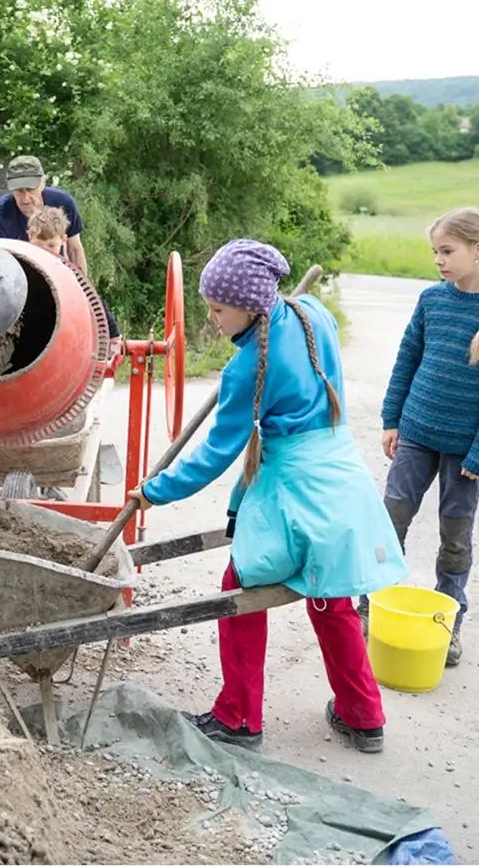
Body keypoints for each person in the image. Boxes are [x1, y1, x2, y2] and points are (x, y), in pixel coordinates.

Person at [128, 238, 407, 753]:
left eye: (217, 309)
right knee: (329, 589)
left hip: (297, 487)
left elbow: (214, 456)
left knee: (239, 587)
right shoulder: (311, 312)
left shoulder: (244, 369)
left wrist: (154, 491)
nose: (210, 318)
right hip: (340, 477)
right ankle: (364, 716)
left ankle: (237, 718)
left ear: (251, 305)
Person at [360, 207, 479, 667]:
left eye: (447, 251)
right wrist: (392, 419)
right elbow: (406, 360)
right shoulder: (431, 301)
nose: (439, 260)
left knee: (455, 536)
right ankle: (370, 605)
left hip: (467, 451)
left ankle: (447, 623)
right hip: (416, 433)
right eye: (435, 251)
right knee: (391, 519)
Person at [0, 155, 89, 274]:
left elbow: (74, 250)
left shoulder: (63, 203)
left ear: (43, 183)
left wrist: (84, 289)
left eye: (31, 189)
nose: (26, 198)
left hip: (58, 273)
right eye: (19, 191)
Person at [26, 205, 120, 339]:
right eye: (39, 245)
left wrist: (113, 337)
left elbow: (92, 302)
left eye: (51, 245)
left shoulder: (70, 275)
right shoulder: (20, 270)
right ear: (29, 236)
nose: (45, 251)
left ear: (63, 240)